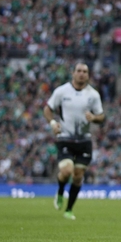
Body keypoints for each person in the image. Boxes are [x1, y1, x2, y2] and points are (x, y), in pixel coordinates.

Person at [43, 62, 105, 220]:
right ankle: (60, 192)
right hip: (65, 138)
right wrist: (52, 123)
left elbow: (101, 116)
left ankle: (69, 209)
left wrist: (94, 118)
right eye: (79, 71)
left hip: (84, 140)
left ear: (88, 75)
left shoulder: (93, 95)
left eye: (85, 71)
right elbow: (48, 108)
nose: (82, 74)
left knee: (78, 176)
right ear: (73, 73)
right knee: (66, 171)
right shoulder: (62, 91)